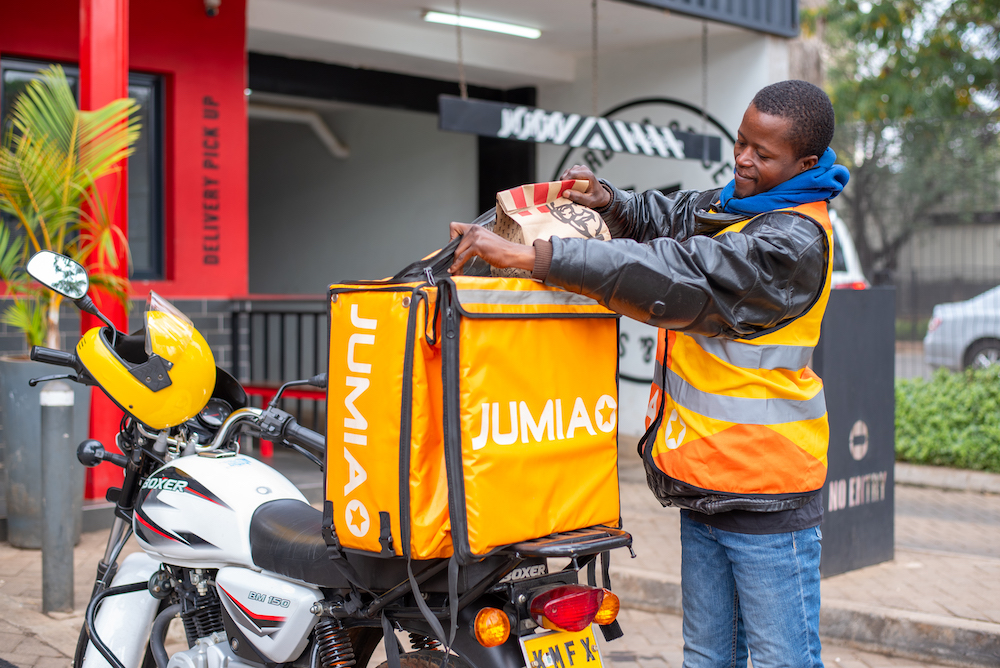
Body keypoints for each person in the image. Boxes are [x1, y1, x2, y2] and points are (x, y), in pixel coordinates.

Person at [448, 79, 850, 668]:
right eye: (741, 142)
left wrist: (541, 258)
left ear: (804, 163)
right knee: (707, 657)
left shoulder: (790, 240)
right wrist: (609, 203)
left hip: (768, 497)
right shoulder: (742, 206)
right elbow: (673, 216)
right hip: (705, 487)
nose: (743, 158)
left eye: (762, 154)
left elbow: (677, 271)